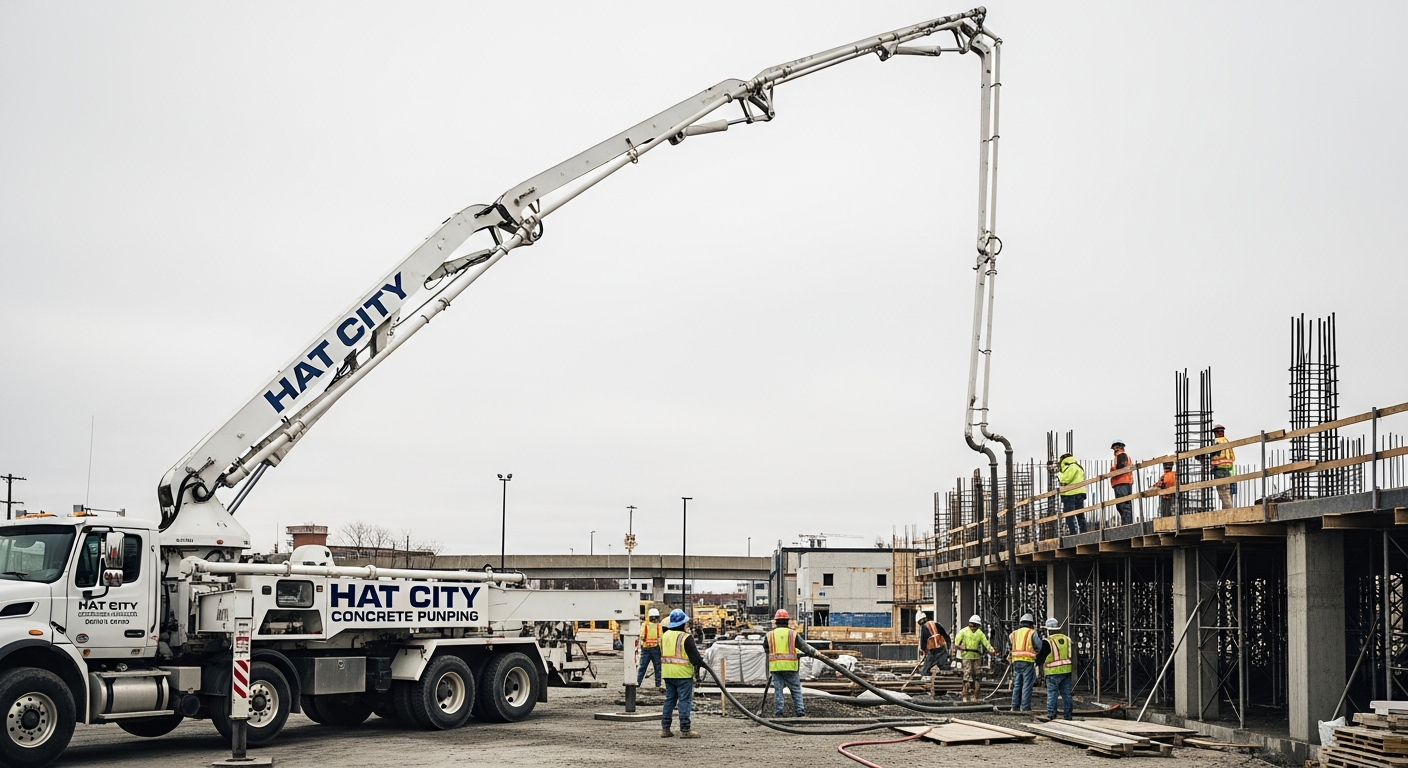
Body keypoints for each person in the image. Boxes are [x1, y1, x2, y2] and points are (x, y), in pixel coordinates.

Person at [660, 609, 706, 739]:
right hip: (683, 675)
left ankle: (665, 729)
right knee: (684, 701)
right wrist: (702, 664)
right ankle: (685, 729)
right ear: (683, 624)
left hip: (668, 674)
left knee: (669, 700)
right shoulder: (685, 637)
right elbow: (695, 658)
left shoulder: (665, 636)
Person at [764, 609, 818, 717]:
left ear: (776, 621)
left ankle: (778, 713)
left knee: (778, 691)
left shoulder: (769, 635)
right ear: (787, 621)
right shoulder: (793, 634)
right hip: (790, 667)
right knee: (796, 690)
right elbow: (804, 647)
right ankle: (800, 712)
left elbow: (766, 649)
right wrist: (814, 652)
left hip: (776, 667)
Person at [1035, 618, 1074, 721]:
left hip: (1053, 672)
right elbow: (1070, 655)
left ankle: (1051, 714)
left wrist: (1036, 663)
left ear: (1048, 629)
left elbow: (1041, 657)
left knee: (1052, 693)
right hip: (1066, 670)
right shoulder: (1067, 639)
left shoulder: (1048, 642)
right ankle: (1068, 715)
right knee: (1066, 694)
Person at [953, 614, 998, 702]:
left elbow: (986, 643)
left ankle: (975, 695)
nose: (973, 628)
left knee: (976, 675)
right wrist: (958, 647)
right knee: (967, 674)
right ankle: (965, 695)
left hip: (976, 656)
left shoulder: (979, 633)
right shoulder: (963, 632)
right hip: (967, 656)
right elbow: (956, 643)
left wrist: (992, 650)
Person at [1008, 613, 1038, 712]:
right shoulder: (1032, 633)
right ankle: (1025, 708)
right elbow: (1039, 646)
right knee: (1026, 685)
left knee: (1017, 684)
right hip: (1027, 662)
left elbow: (1009, 647)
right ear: (1031, 624)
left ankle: (1014, 706)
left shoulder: (1014, 633)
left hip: (1016, 662)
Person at [916, 612, 951, 694]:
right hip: (942, 650)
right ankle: (943, 689)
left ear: (920, 621)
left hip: (932, 652)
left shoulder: (924, 627)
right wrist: (948, 648)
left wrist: (924, 651)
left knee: (924, 670)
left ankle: (925, 688)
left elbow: (923, 642)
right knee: (945, 669)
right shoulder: (936, 624)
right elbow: (946, 636)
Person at [1058, 453, 1088, 534]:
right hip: (1079, 493)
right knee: (1080, 514)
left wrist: (1059, 474)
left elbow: (1065, 479)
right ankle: (1083, 532)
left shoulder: (1072, 467)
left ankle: (1073, 533)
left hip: (1070, 494)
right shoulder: (1078, 466)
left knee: (1069, 515)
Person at [1210, 424, 1236, 509]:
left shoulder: (1216, 442)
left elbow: (1209, 454)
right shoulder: (1226, 442)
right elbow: (1232, 458)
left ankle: (1228, 512)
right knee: (1227, 492)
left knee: (1223, 492)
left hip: (1220, 471)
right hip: (1229, 471)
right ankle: (1228, 510)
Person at [637, 607, 663, 689]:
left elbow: (641, 636)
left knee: (642, 667)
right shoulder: (658, 626)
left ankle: (638, 682)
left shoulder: (645, 625)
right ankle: (658, 684)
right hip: (655, 649)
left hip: (646, 649)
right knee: (657, 668)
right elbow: (661, 638)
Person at [1109, 441, 1134, 526]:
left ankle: (1128, 526)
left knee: (1124, 506)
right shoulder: (1118, 456)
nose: (1115, 449)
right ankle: (1127, 524)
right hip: (1120, 483)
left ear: (1121, 447)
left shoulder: (1121, 455)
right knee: (1121, 506)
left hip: (1123, 482)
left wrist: (1112, 469)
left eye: (1117, 447)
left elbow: (1121, 467)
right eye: (1114, 448)